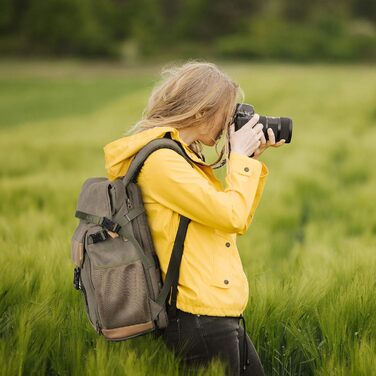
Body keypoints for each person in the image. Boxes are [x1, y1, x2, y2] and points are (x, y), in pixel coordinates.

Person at [103, 61, 285, 376]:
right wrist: (238, 159)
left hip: (215, 313)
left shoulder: (183, 156)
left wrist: (249, 160)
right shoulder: (162, 162)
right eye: (226, 113)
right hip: (197, 317)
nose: (230, 121)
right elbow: (231, 216)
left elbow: (232, 218)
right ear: (201, 111)